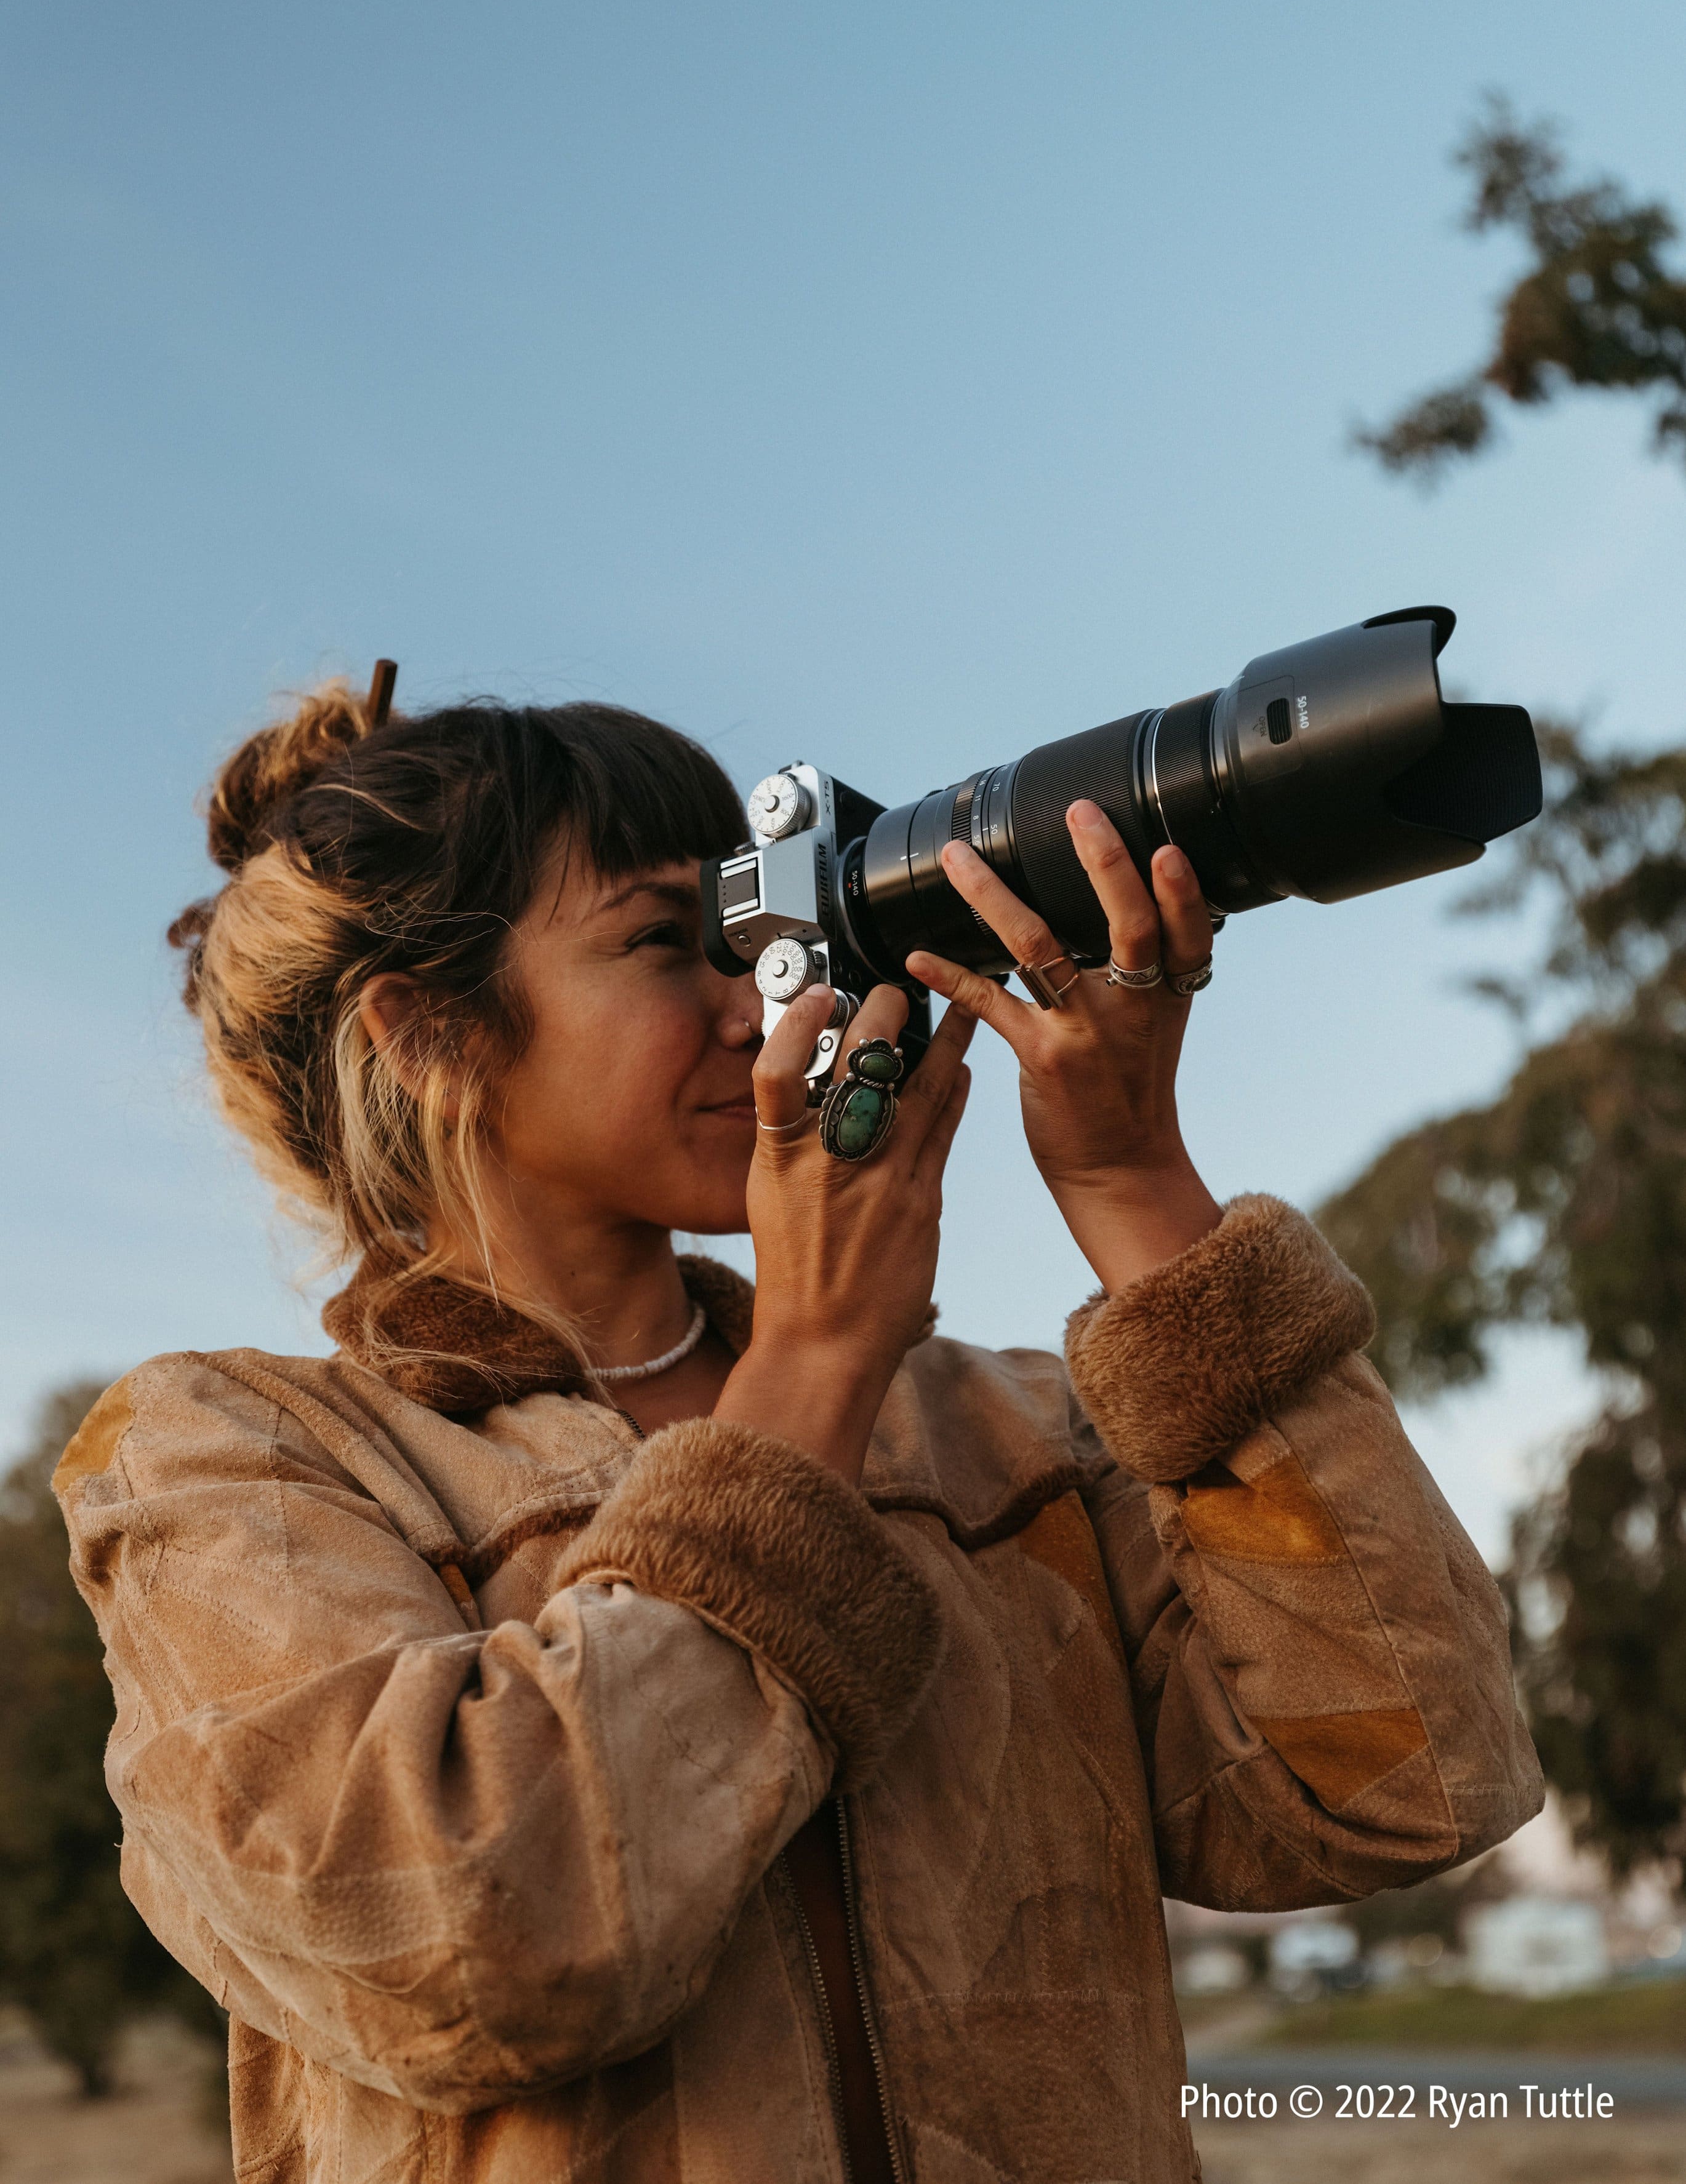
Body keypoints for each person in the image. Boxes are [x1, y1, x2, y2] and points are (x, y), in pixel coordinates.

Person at [56, 675, 1542, 2184]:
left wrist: (1134, 1189)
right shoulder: (231, 1457)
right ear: (430, 1034)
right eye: (659, 944)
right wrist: (816, 1360)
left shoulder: (1001, 1428)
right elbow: (476, 1947)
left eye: (744, 942)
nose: (750, 1002)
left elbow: (1408, 1784)